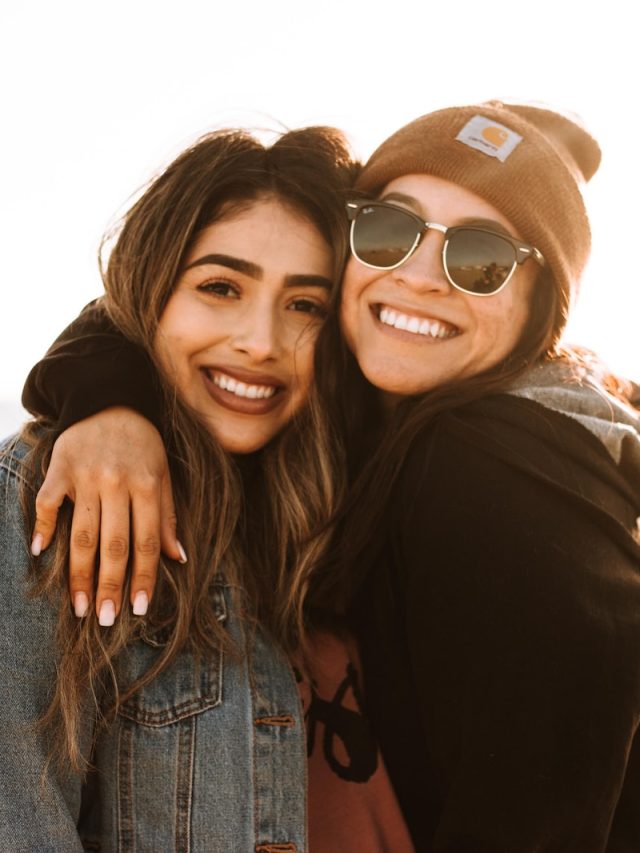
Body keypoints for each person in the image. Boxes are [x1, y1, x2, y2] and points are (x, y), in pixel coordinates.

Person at [21, 101, 640, 850]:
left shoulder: (497, 470)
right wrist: (107, 399)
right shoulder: (345, 440)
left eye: (481, 259)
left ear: (543, 308)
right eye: (388, 232)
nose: (418, 277)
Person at [1, 124, 415, 852]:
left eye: (305, 305)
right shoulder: (56, 495)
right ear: (151, 292)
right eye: (221, 287)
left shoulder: (341, 501)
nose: (260, 340)